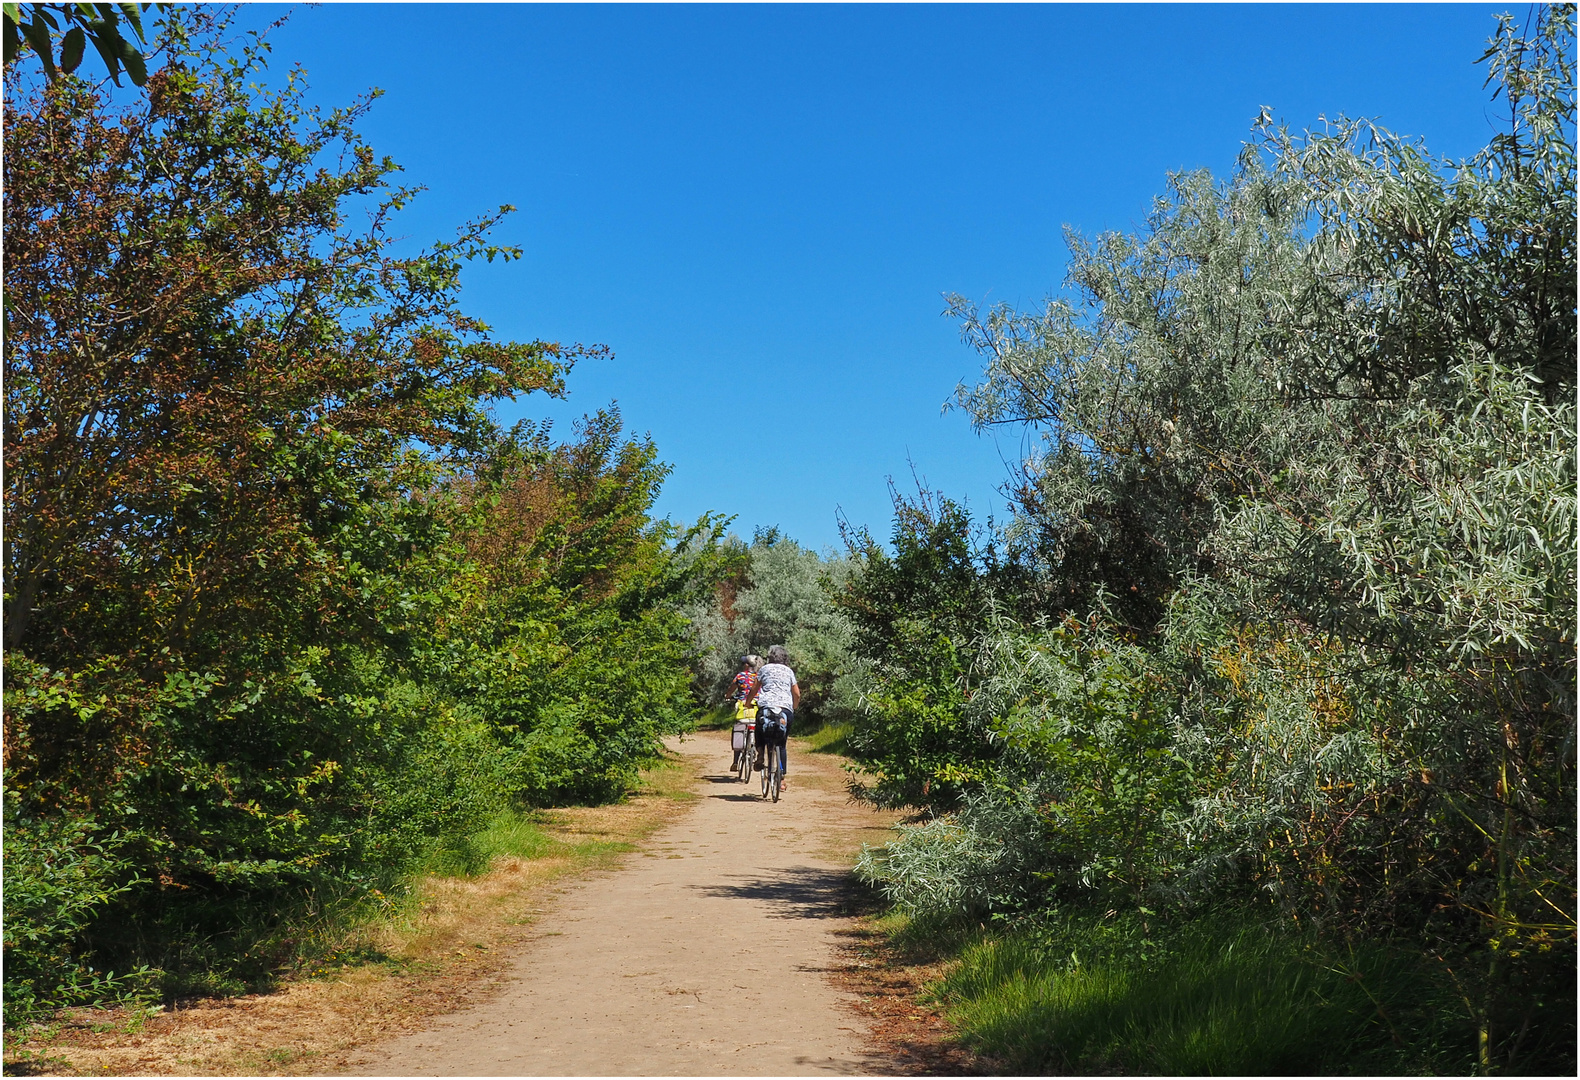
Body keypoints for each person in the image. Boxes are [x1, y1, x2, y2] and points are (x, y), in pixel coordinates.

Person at [753, 645, 799, 788]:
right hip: (785, 710)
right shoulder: (789, 671)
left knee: (759, 728)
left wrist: (748, 703)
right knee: (782, 743)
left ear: (770, 658)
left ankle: (760, 753)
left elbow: (754, 689)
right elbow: (797, 694)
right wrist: (793, 707)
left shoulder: (764, 669)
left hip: (766, 707)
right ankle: (782, 779)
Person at [729, 656, 759, 772]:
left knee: (738, 728)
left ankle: (736, 761)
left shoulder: (740, 676)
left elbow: (731, 688)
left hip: (743, 706)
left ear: (747, 665)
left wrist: (727, 696)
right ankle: (757, 752)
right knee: (757, 729)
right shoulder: (758, 676)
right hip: (756, 706)